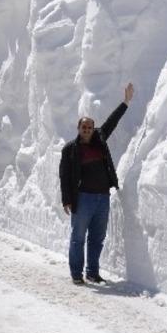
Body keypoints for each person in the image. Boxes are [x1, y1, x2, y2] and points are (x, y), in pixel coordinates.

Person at [59, 82, 134, 285]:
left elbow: (112, 121)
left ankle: (92, 272)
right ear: (78, 128)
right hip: (83, 198)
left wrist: (125, 102)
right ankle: (76, 273)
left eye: (90, 127)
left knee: (97, 238)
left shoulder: (100, 138)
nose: (87, 130)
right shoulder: (70, 149)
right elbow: (64, 176)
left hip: (102, 197)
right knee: (78, 238)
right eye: (84, 127)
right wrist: (67, 200)